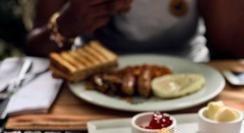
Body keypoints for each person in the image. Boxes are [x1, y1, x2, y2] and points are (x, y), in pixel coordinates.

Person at [26, 0, 244, 61]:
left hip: (192, 75)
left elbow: (230, 51)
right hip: (93, 79)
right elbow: (35, 47)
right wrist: (65, 26)